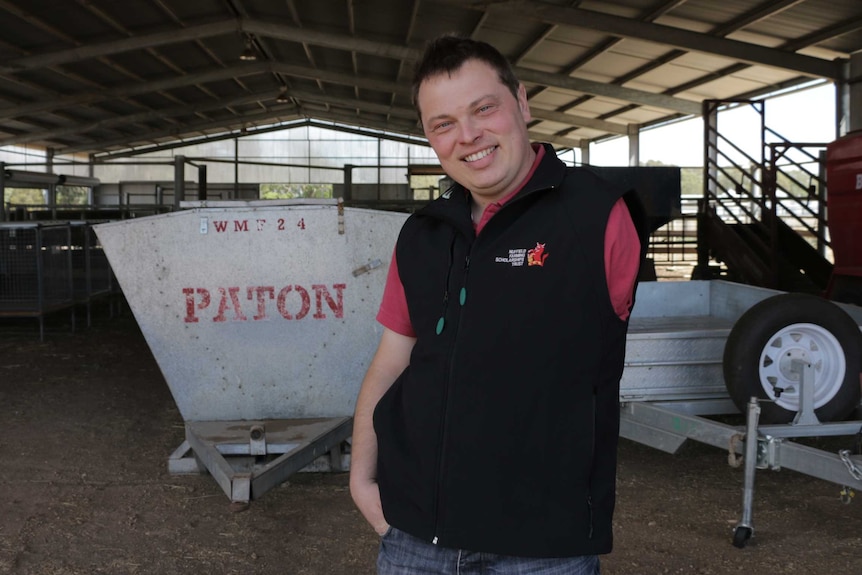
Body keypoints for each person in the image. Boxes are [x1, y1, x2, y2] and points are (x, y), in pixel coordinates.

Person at [349, 33, 646, 575]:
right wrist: (360, 475)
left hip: (542, 547)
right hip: (416, 536)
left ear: (522, 103)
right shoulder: (422, 234)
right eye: (443, 124)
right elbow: (393, 360)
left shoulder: (597, 216)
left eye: (483, 109)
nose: (468, 136)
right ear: (430, 137)